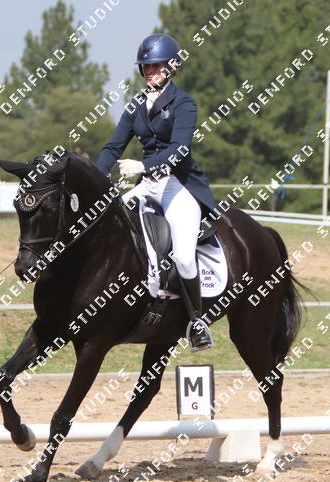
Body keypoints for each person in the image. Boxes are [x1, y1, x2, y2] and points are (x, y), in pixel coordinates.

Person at [96, 33, 217, 352]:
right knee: (107, 226)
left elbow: (179, 150)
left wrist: (142, 165)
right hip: (146, 186)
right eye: (146, 67)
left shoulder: (184, 104)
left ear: (171, 66)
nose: (150, 71)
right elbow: (112, 147)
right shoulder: (136, 105)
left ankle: (197, 323)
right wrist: (95, 177)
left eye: (156, 66)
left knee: (184, 257)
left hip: (178, 186)